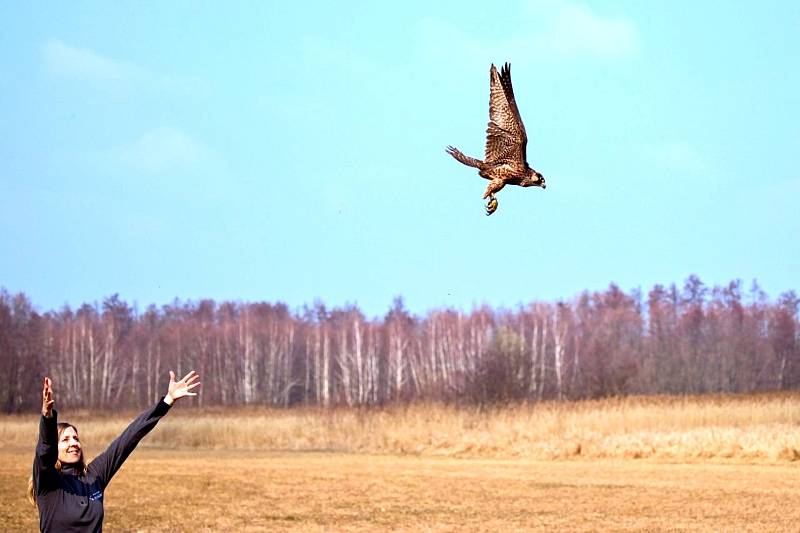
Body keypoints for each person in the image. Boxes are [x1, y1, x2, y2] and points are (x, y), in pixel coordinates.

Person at [29, 371, 200, 532]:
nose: (74, 443)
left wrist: (167, 401)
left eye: (76, 438)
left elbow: (127, 439)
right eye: (65, 440)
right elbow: (45, 451)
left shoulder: (93, 476)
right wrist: (48, 418)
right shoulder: (47, 482)